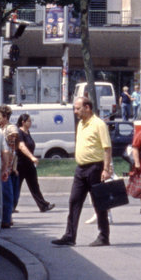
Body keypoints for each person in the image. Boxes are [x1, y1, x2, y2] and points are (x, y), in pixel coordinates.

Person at [52, 96, 112, 247]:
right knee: (74, 201)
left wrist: (106, 168)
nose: (75, 111)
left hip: (95, 168)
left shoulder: (99, 124)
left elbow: (107, 148)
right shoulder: (81, 124)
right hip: (81, 169)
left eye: (78, 108)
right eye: (74, 108)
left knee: (99, 203)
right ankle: (69, 236)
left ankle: (104, 236)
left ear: (87, 108)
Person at [14, 113, 54, 212]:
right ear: (23, 122)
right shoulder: (19, 133)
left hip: (29, 165)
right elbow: (21, 146)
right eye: (29, 121)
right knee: (17, 186)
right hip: (21, 164)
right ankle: (10, 207)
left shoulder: (27, 132)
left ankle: (43, 206)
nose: (30, 123)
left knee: (34, 185)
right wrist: (32, 157)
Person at [0, 106, 15, 229]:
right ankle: (6, 218)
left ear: (5, 117)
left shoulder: (10, 128)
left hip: (6, 164)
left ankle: (6, 219)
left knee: (6, 193)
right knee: (5, 193)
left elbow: (9, 150)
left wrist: (8, 166)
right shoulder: (0, 129)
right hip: (4, 164)